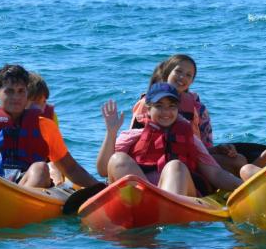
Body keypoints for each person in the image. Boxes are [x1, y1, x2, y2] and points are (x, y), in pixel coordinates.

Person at [98, 83, 241, 196]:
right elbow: (104, 170)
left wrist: (243, 186)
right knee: (118, 159)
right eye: (159, 106)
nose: (166, 112)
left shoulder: (189, 138)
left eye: (171, 106)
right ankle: (148, 203)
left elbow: (215, 174)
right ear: (148, 109)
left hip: (179, 196)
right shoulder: (131, 136)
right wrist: (111, 133)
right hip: (142, 195)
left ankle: (167, 211)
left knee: (175, 166)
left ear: (177, 109)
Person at [130, 53, 248, 175]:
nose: (182, 77)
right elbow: (134, 143)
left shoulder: (198, 109)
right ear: (167, 73)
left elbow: (203, 148)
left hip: (192, 161)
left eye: (188, 75)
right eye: (178, 71)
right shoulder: (147, 104)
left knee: (239, 160)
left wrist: (219, 149)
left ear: (192, 81)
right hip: (153, 164)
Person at [26, 71, 65, 185]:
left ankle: (60, 186)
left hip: (43, 163)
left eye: (43, 102)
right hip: (19, 167)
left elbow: (54, 154)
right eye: (35, 102)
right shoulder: (9, 117)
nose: (40, 108)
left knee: (53, 164)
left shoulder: (50, 118)